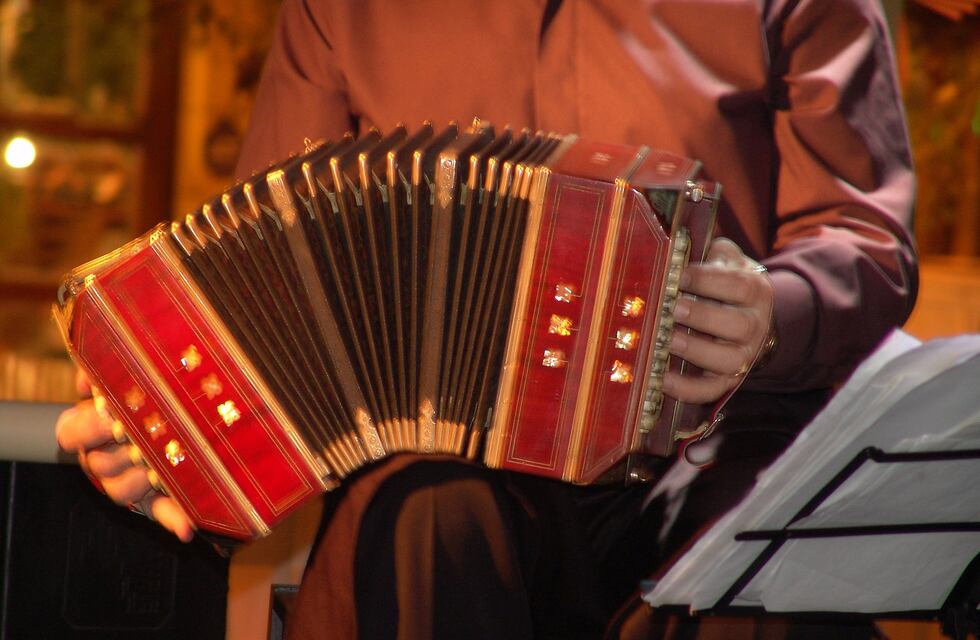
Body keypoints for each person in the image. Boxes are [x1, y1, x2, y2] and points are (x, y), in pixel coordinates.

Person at [56, 0, 917, 638]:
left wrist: (772, 309)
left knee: (758, 581)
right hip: (444, 480)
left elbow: (868, 241)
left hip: (711, 450)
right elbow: (265, 290)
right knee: (428, 512)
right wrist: (171, 433)